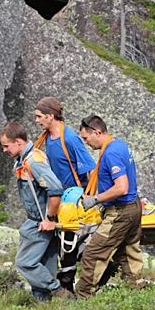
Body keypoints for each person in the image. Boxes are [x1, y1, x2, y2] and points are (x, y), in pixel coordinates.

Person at [0, 121, 74, 301]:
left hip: (40, 221)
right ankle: (44, 307)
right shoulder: (25, 159)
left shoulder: (33, 161)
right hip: (41, 221)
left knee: (25, 263)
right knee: (46, 265)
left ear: (18, 142)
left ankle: (60, 292)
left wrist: (49, 218)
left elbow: (55, 189)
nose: (4, 150)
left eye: (6, 146)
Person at [75, 115, 146, 299]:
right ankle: (137, 290)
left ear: (97, 132)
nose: (86, 142)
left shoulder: (111, 152)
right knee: (127, 251)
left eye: (86, 138)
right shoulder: (119, 144)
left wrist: (96, 199)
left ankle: (84, 297)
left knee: (92, 254)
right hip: (133, 207)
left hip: (120, 211)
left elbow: (121, 187)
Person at [34, 96, 97, 292]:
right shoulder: (48, 138)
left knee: (71, 243)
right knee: (64, 244)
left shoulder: (69, 139)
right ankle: (67, 285)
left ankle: (70, 287)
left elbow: (91, 169)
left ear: (51, 116)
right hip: (60, 198)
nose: (37, 121)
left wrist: (88, 196)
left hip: (73, 199)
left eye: (39, 116)